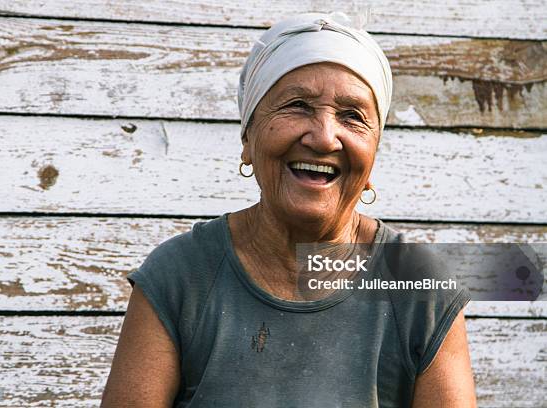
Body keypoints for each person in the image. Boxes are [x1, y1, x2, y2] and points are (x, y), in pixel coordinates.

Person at [101, 12, 476, 407]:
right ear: (247, 137)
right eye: (298, 105)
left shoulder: (420, 287)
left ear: (373, 156)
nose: (324, 137)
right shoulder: (180, 276)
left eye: (352, 116)